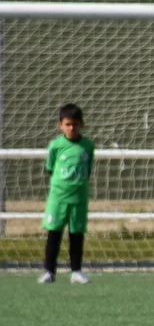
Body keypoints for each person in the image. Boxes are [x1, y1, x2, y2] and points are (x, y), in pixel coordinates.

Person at [39, 103, 95, 285]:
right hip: (58, 198)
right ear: (60, 125)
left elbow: (88, 169)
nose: (71, 128)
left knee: (76, 235)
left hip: (79, 198)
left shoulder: (88, 146)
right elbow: (50, 168)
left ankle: (76, 271)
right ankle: (49, 271)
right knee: (54, 234)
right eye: (68, 124)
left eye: (75, 124)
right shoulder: (55, 145)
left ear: (81, 124)